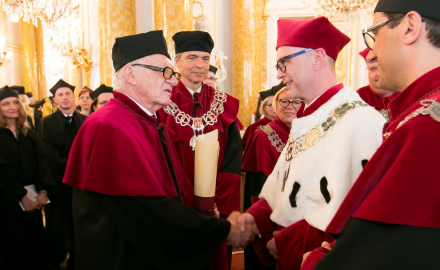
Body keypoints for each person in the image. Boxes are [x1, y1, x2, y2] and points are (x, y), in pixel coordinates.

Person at [301, 0, 440, 269]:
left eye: (376, 31)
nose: (373, 49)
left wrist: (314, 263)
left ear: (410, 27)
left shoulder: (431, 128)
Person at [62, 30, 254, 270]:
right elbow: (147, 213)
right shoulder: (109, 126)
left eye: (172, 73)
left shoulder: (145, 120)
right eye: (164, 72)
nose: (174, 81)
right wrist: (222, 230)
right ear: (131, 74)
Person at [230, 16, 386, 270]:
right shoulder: (308, 117)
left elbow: (355, 215)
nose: (279, 73)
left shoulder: (358, 120)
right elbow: (286, 186)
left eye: (285, 62)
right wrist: (254, 218)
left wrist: (287, 243)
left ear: (317, 58)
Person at [159, 30, 242, 270]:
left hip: (215, 211)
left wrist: (219, 207)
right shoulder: (162, 103)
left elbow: (232, 160)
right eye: (192, 57)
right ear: (176, 61)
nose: (200, 65)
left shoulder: (224, 103)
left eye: (205, 59)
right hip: (175, 208)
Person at [242, 86, 302, 269]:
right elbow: (257, 188)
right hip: (269, 213)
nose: (289, 106)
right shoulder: (263, 135)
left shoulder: (305, 133)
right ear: (275, 106)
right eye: (283, 101)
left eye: (296, 102)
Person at [0, 86, 55, 270]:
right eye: (5, 103)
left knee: (35, 249)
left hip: (34, 200)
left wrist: (43, 192)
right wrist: (21, 196)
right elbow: (2, 172)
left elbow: (42, 164)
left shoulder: (28, 133)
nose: (12, 107)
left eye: (15, 102)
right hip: (8, 204)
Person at [37, 79, 87, 270]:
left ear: (74, 97)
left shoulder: (84, 120)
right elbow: (47, 153)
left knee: (78, 222)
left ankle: (77, 259)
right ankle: (56, 260)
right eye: (60, 95)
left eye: (68, 94)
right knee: (58, 225)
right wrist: (73, 167)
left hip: (81, 183)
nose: (65, 98)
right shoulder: (46, 122)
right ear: (54, 100)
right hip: (58, 183)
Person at [356, 48, 398, 120]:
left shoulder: (406, 94)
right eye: (373, 69)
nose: (378, 74)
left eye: (383, 68)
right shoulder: (358, 97)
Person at [242, 82, 284, 149]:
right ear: (264, 107)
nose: (274, 108)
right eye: (270, 105)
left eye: (277, 104)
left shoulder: (286, 125)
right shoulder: (254, 128)